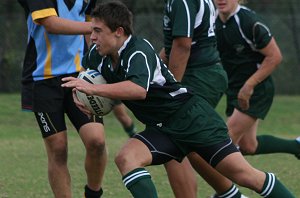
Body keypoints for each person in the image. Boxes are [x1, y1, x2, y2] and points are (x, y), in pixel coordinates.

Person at [62, 1, 295, 198]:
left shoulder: (138, 51)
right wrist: (89, 101)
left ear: (119, 32)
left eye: (98, 31)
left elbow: (137, 90)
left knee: (245, 175)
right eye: (92, 30)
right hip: (164, 128)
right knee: (126, 158)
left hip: (192, 119)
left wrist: (95, 92)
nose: (91, 37)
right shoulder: (97, 54)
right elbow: (100, 87)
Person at [18, 0, 107, 197]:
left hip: (79, 77)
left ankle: (93, 193)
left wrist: (96, 62)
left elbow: (90, 25)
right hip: (42, 80)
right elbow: (51, 23)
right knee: (58, 149)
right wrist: (98, 27)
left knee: (97, 141)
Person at [159, 0, 244, 197]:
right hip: (202, 74)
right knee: (183, 142)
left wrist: (172, 90)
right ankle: (231, 194)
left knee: (169, 139)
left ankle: (233, 193)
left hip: (200, 75)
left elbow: (183, 44)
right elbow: (172, 45)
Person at [214, 0, 300, 158]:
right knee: (248, 146)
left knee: (225, 141)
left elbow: (274, 57)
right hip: (234, 88)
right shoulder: (212, 22)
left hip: (256, 89)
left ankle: (227, 184)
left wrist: (249, 85)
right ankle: (296, 146)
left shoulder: (249, 22)